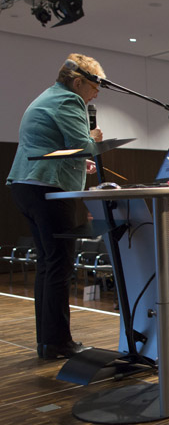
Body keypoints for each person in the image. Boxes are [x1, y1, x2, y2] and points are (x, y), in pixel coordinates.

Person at [7, 54, 105, 359]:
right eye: (93, 88)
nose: (95, 95)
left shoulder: (48, 96)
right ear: (77, 82)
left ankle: (48, 340)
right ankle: (58, 342)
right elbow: (84, 143)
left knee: (48, 266)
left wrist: (79, 159)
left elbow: (58, 147)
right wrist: (93, 139)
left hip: (27, 185)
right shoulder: (69, 101)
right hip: (47, 188)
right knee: (60, 266)